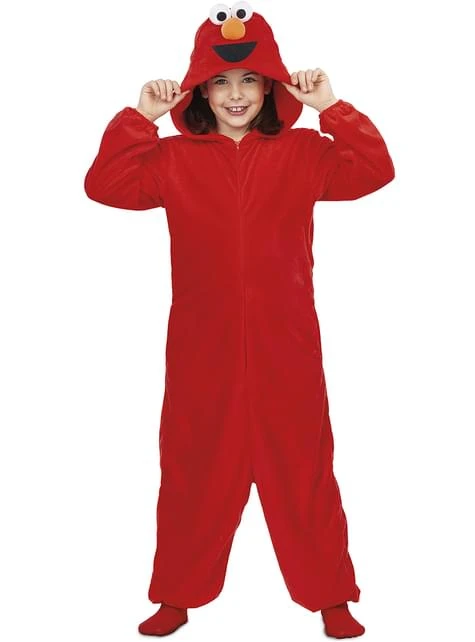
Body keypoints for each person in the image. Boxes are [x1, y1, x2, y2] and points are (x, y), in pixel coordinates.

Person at [84, 2, 395, 638]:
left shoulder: (304, 152)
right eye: (220, 81)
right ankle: (177, 595)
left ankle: (332, 596)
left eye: (250, 80)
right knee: (193, 469)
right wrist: (140, 118)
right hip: (202, 348)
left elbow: (374, 170)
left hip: (288, 346)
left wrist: (332, 107)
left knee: (304, 469)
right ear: (199, 90)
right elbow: (105, 185)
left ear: (271, 88)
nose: (235, 94)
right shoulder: (173, 159)